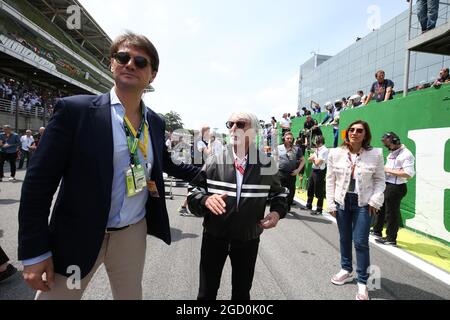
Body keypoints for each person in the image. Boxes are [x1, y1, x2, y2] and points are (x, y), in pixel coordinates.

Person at [18, 32, 200, 300]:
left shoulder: (156, 123)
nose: (130, 65)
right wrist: (34, 251)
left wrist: (212, 177)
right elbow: (38, 185)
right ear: (112, 64)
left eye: (140, 62)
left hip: (131, 234)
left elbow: (168, 164)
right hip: (77, 235)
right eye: (123, 57)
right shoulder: (75, 111)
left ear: (152, 76)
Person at [187, 112, 288, 300]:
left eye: (240, 124)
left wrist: (277, 212)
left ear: (254, 131)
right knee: (206, 293)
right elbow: (193, 192)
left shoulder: (266, 163)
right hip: (214, 237)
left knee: (242, 294)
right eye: (230, 123)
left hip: (248, 239)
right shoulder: (214, 160)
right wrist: (205, 200)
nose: (233, 128)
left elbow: (279, 193)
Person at [326, 120, 385, 300]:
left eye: (359, 131)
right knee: (344, 238)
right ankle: (346, 268)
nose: (354, 133)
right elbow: (330, 180)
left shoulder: (376, 154)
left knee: (360, 242)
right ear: (347, 133)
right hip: (342, 201)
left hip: (364, 203)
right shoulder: (335, 153)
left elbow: (380, 180)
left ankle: (362, 282)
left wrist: (375, 201)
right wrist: (330, 204)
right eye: (351, 130)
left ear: (365, 135)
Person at [372, 132, 415, 246]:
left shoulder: (406, 154)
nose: (387, 147)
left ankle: (391, 238)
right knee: (380, 208)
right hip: (387, 184)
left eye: (388, 144)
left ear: (395, 142)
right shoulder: (392, 152)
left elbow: (409, 174)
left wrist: (387, 170)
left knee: (391, 213)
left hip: (396, 187)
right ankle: (377, 231)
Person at [179, 126, 212, 216]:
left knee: (196, 188)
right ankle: (185, 207)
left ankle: (184, 207)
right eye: (208, 132)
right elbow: (208, 153)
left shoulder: (196, 141)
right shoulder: (200, 142)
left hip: (196, 167)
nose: (209, 134)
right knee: (196, 188)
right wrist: (210, 142)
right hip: (197, 168)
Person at [277, 131, 305, 213]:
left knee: (291, 192)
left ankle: (287, 206)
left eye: (291, 139)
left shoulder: (297, 149)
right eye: (287, 138)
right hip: (280, 173)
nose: (289, 140)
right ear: (284, 139)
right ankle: (279, 208)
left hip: (292, 174)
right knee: (280, 191)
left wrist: (298, 170)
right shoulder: (278, 148)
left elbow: (303, 161)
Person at [306, 136, 328, 215]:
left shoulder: (324, 150)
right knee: (310, 188)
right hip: (314, 170)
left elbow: (318, 163)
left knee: (319, 190)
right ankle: (308, 205)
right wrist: (315, 158)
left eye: (315, 141)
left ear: (319, 141)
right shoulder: (317, 150)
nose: (314, 142)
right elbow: (309, 159)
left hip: (320, 172)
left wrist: (314, 158)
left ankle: (319, 209)